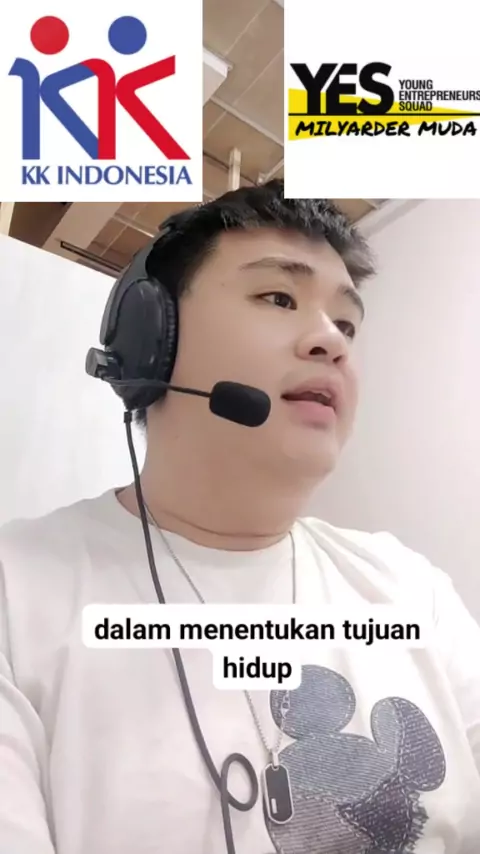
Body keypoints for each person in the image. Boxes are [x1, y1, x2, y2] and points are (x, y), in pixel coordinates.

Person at [0, 180, 479, 854]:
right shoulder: (16, 592)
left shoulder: (411, 588)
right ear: (151, 341)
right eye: (279, 298)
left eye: (346, 324)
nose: (332, 342)